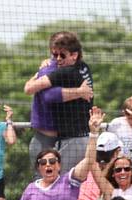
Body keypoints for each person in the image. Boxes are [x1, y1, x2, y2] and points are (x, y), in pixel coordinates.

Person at [23, 32, 93, 174]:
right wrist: (79, 92)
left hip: (73, 139)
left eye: (62, 55)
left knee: (63, 182)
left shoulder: (65, 72)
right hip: (53, 138)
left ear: (74, 55)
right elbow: (32, 89)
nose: (57, 59)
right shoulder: (83, 67)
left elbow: (40, 93)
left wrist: (39, 75)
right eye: (54, 55)